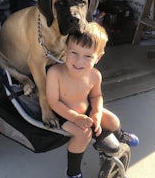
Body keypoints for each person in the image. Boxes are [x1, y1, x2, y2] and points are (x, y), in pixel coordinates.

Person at [46, 21, 139, 178]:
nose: (79, 61)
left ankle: (114, 142)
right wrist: (76, 118)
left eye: (88, 56)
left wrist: (96, 113)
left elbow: (96, 96)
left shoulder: (95, 75)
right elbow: (53, 102)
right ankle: (73, 172)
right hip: (62, 114)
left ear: (98, 57)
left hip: (86, 109)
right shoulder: (55, 73)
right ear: (65, 50)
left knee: (113, 121)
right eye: (74, 53)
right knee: (84, 134)